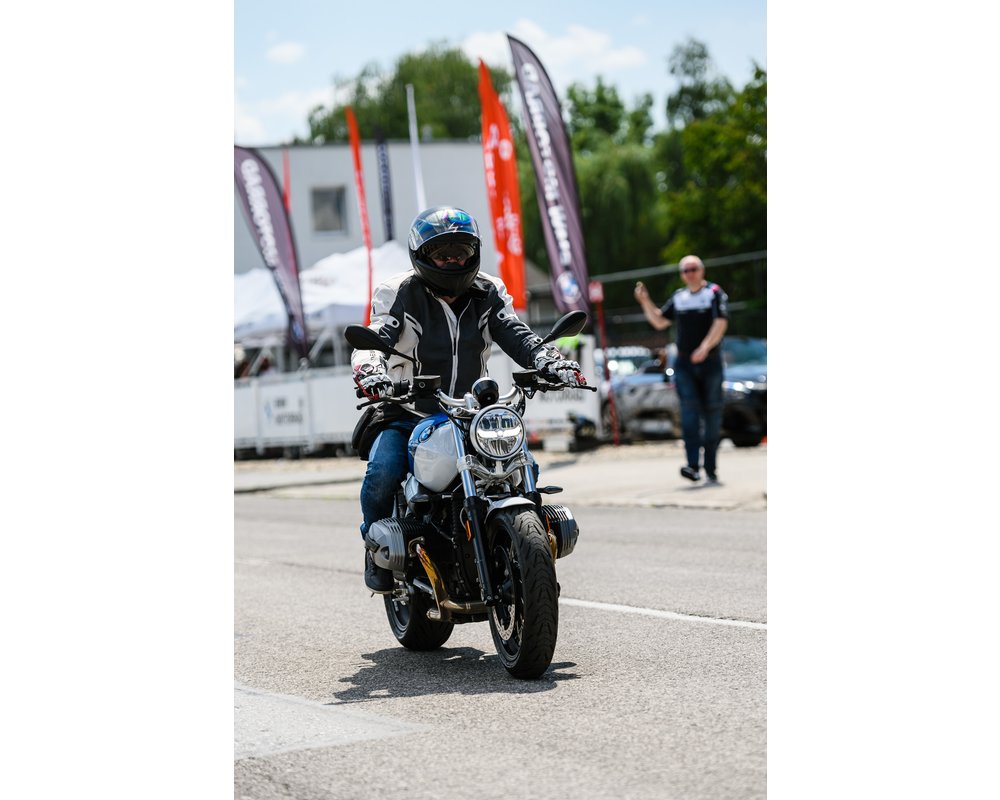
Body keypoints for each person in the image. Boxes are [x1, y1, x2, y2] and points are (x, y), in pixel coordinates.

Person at [350, 206, 586, 593]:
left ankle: (530, 560)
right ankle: (373, 546)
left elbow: (517, 335)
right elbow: (377, 336)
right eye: (442, 254)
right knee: (383, 472)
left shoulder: (488, 291)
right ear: (421, 256)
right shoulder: (400, 291)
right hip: (407, 410)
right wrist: (371, 370)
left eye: (460, 252)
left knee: (523, 465)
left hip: (468, 414)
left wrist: (551, 361)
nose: (453, 261)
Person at [634, 254, 729, 484]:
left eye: (694, 269)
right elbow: (659, 321)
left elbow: (721, 323)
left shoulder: (714, 293)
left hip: (710, 363)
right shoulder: (679, 297)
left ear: (702, 271)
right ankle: (692, 466)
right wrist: (645, 301)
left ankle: (711, 467)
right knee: (689, 414)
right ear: (682, 275)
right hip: (684, 364)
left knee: (712, 413)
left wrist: (705, 348)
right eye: (686, 270)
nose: (690, 273)